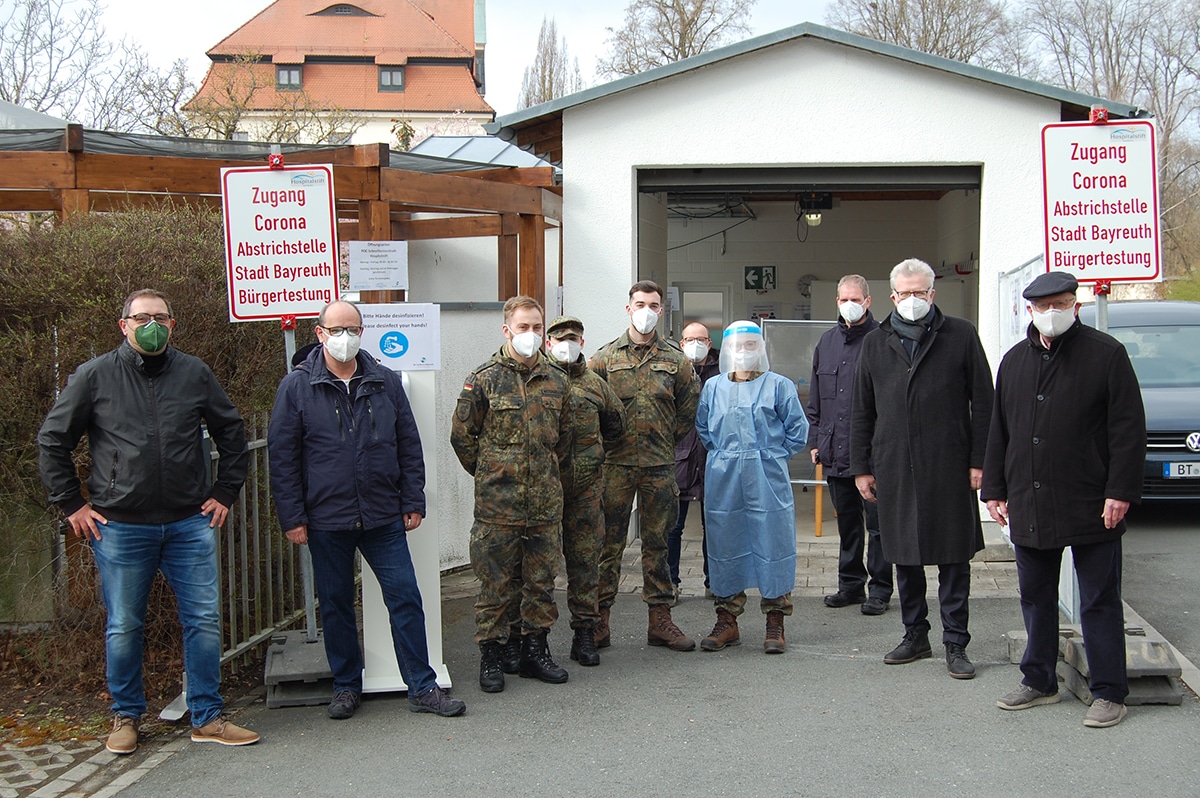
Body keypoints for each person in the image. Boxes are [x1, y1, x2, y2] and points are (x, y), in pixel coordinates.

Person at [37, 289, 259, 755]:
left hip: (188, 523)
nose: (151, 324)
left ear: (173, 325)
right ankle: (126, 716)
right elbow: (53, 440)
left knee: (202, 621)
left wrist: (224, 492)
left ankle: (207, 716)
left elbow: (232, 433)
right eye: (142, 317)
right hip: (119, 527)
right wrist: (72, 504)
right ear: (124, 325)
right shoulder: (94, 376)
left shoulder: (195, 373)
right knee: (124, 625)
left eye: (160, 317)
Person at [268, 300, 465, 721]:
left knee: (406, 599)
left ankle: (422, 686)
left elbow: (409, 445)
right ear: (319, 333)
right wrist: (293, 517)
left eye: (353, 329)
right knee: (336, 604)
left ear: (363, 332)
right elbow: (282, 458)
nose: (345, 337)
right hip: (325, 519)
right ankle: (345, 686)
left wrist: (413, 499)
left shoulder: (385, 381)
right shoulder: (297, 386)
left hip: (381, 516)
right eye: (336, 329)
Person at [982, 272, 1145, 728]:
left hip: (1093, 501)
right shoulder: (1014, 361)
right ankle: (1038, 681)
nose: (1052, 312)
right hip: (1029, 499)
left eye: (1062, 303)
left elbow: (1128, 430)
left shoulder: (1106, 354)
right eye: (1043, 305)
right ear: (1029, 310)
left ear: (1076, 305)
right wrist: (993, 489)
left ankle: (1109, 692)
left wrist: (1120, 491)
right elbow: (1000, 431)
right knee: (1035, 596)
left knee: (1099, 599)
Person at [850, 258, 993, 679]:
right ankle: (915, 635)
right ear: (892, 297)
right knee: (904, 555)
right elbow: (862, 410)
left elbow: (984, 402)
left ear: (933, 294)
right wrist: (862, 466)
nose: (912, 300)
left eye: (920, 292)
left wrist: (979, 461)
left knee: (953, 557)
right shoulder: (876, 342)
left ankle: (955, 642)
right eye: (905, 293)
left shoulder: (961, 335)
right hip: (893, 464)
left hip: (950, 464)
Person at [451, 295, 573, 691]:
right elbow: (463, 438)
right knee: (495, 586)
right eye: (523, 328)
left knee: (540, 583)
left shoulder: (557, 380)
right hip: (497, 506)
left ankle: (535, 651)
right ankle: (492, 655)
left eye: (537, 328)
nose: (531, 335)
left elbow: (565, 440)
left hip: (544, 505)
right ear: (507, 330)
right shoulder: (484, 378)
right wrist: (493, 473)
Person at [591, 280, 700, 652]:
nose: (646, 310)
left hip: (658, 466)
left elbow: (688, 410)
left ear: (661, 310)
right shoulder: (604, 359)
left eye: (654, 305)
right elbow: (590, 408)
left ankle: (660, 621)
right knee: (609, 544)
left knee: (658, 544)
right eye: (640, 303)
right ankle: (598, 621)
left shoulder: (677, 360)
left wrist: (663, 441)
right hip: (615, 467)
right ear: (628, 308)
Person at [696, 321, 809, 654]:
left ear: (760, 348)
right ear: (726, 351)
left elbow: (797, 432)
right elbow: (704, 429)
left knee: (772, 541)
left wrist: (770, 457)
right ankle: (727, 619)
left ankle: (775, 619)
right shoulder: (713, 387)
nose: (743, 352)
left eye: (750, 345)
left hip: (766, 476)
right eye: (736, 346)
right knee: (724, 542)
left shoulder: (779, 386)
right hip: (724, 476)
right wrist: (727, 455)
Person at [808, 275, 893, 615]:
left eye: (855, 298)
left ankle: (881, 589)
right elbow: (816, 400)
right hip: (835, 448)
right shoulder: (826, 342)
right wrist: (815, 440)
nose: (849, 305)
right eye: (843, 299)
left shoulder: (884, 340)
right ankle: (850, 585)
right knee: (847, 522)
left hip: (873, 452)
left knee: (879, 524)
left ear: (869, 301)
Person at [544, 315, 626, 667]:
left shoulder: (595, 383)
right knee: (540, 567)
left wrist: (595, 458)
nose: (567, 343)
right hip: (543, 489)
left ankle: (584, 635)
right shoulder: (537, 380)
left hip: (586, 491)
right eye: (561, 337)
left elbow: (617, 425)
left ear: (582, 342)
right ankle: (534, 640)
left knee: (585, 564)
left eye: (574, 337)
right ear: (548, 342)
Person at [668, 321, 721, 599]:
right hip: (681, 457)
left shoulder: (722, 371)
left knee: (713, 526)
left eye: (701, 339)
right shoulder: (672, 370)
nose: (696, 344)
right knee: (673, 526)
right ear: (681, 343)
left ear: (710, 343)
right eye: (690, 339)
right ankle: (671, 583)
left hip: (713, 458)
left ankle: (714, 583)